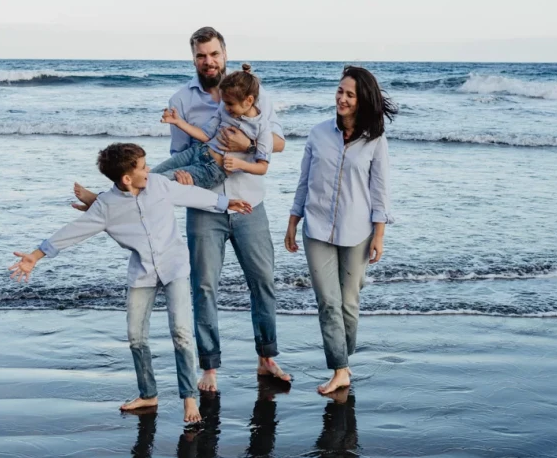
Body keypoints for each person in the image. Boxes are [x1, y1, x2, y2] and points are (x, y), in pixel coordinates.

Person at [75, 27, 290, 392]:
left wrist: (249, 141)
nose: (208, 61)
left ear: (225, 54)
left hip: (249, 202)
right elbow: (179, 156)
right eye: (201, 56)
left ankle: (266, 357)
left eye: (214, 54)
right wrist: (182, 182)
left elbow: (279, 143)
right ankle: (209, 367)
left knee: (263, 281)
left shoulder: (255, 93)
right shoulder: (181, 98)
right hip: (203, 206)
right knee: (204, 286)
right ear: (193, 58)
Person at [9, 142, 252, 423]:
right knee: (136, 337)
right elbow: (73, 231)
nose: (149, 170)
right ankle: (148, 393)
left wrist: (226, 203)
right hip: (142, 273)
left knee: (181, 333)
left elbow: (190, 194)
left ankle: (189, 398)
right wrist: (36, 256)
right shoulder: (105, 207)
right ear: (127, 178)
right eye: (143, 167)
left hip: (174, 266)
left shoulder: (159, 184)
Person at [284, 66, 398, 395]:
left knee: (349, 303)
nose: (342, 99)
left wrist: (379, 234)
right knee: (328, 302)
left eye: (350, 94)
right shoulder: (318, 134)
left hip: (358, 231)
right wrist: (293, 220)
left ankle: (342, 362)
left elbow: (380, 192)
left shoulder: (375, 141)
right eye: (339, 91)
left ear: (362, 100)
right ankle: (340, 369)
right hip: (316, 228)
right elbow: (304, 181)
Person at [153, 63, 273, 190]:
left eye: (230, 104)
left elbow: (263, 167)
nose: (226, 107)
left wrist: (241, 164)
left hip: (211, 170)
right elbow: (206, 135)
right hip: (198, 151)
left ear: (249, 100)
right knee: (148, 177)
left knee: (158, 183)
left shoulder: (262, 128)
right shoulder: (224, 109)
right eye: (224, 102)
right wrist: (178, 122)